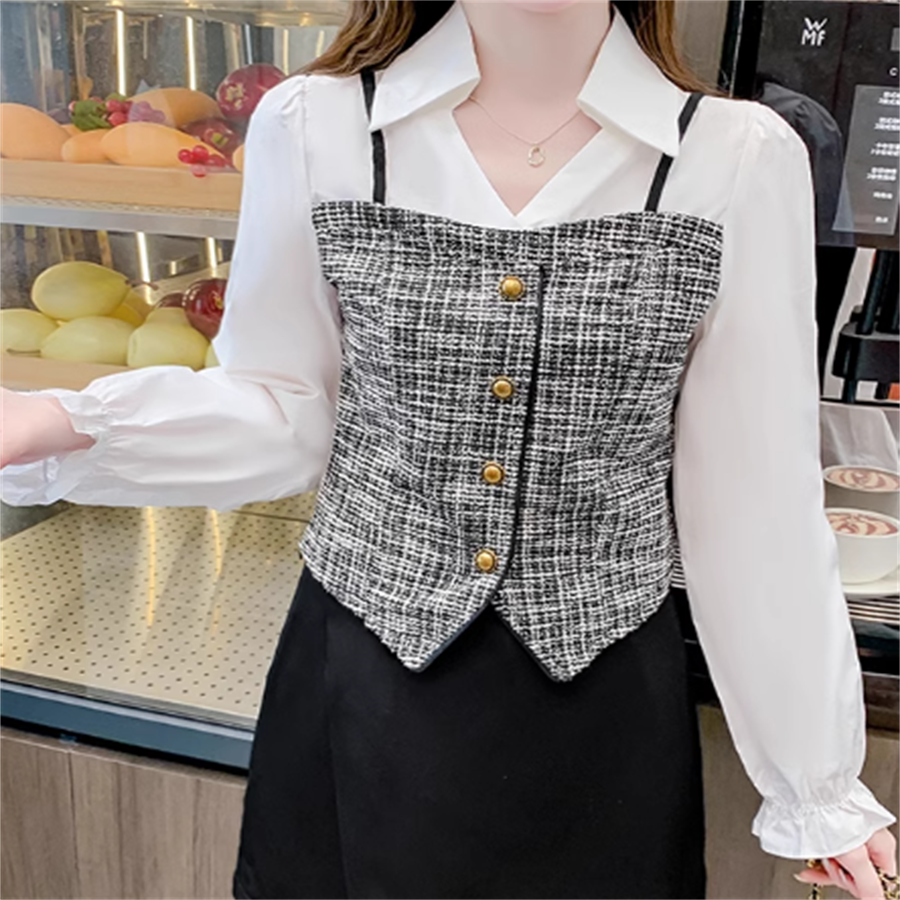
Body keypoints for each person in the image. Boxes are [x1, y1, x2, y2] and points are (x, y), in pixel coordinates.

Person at [0, 1, 897, 898]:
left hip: (601, 708)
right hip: (362, 684)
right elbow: (283, 410)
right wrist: (57, 422)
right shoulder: (317, 125)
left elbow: (752, 500)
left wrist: (816, 785)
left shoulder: (738, 155)